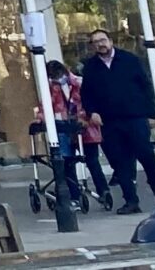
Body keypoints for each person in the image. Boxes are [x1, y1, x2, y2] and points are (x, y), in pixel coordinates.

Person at [78, 28, 155, 213]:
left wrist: (151, 114)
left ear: (110, 40)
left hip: (135, 118)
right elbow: (86, 93)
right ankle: (131, 200)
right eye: (96, 42)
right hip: (110, 122)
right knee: (120, 162)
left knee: (146, 155)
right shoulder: (91, 67)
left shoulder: (129, 60)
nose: (100, 44)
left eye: (103, 40)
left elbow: (146, 86)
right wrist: (91, 112)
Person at [40, 59, 113, 210]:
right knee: (67, 163)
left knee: (92, 161)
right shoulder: (51, 88)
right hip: (64, 128)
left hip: (84, 126)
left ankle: (103, 191)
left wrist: (86, 117)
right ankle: (75, 196)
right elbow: (46, 107)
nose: (56, 79)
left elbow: (91, 102)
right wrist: (42, 118)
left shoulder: (79, 83)